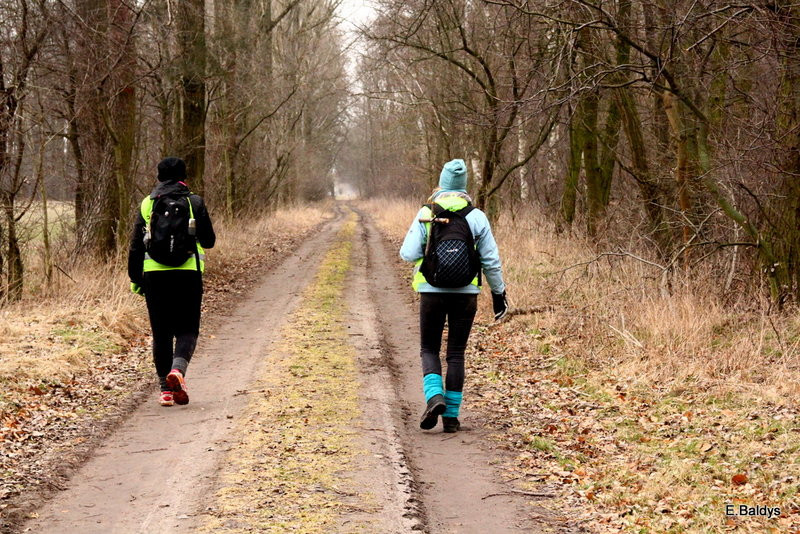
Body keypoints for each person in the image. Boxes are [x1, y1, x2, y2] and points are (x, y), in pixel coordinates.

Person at [400, 159, 508, 432]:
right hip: (466, 293)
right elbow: (491, 261)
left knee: (429, 348)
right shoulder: (476, 216)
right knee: (456, 353)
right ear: (463, 187)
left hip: (431, 291)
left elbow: (409, 254)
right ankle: (451, 418)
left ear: (442, 183)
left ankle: (434, 397)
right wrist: (499, 294)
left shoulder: (427, 212)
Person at [128, 157, 216, 407]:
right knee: (188, 329)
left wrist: (136, 278)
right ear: (183, 176)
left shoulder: (147, 203)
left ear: (159, 177)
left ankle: (166, 391)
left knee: (161, 333)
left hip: (154, 276)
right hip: (188, 273)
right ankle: (177, 370)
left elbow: (135, 245)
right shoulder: (194, 202)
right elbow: (209, 241)